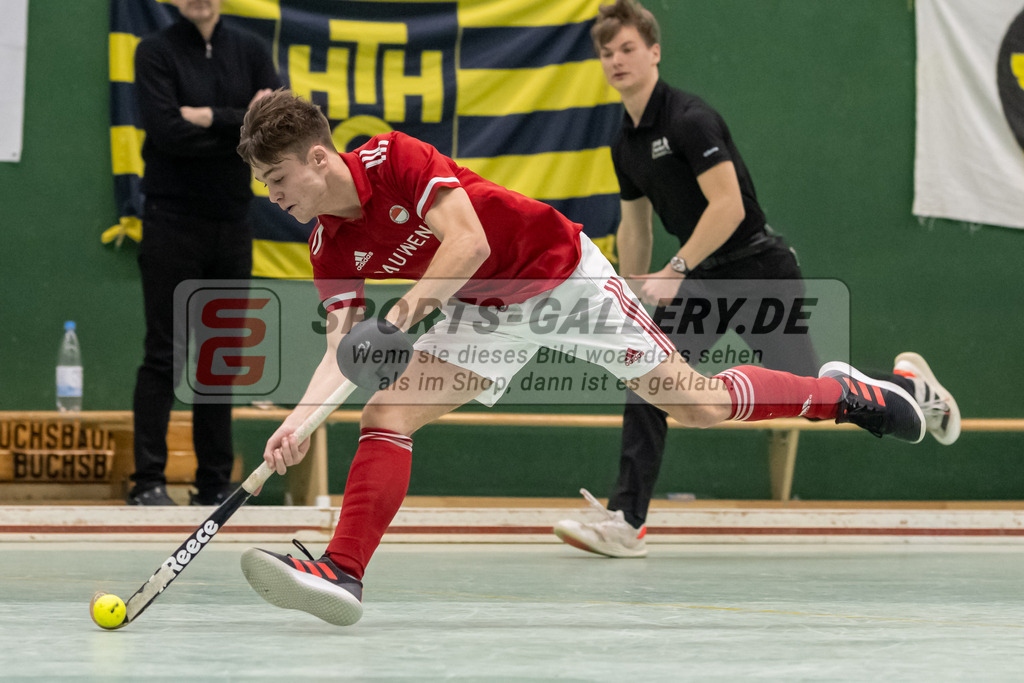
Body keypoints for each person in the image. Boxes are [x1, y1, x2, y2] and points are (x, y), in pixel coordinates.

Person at [232, 88, 936, 627]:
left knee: (696, 403)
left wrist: (408, 312)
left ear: (317, 158)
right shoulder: (327, 241)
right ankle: (342, 571)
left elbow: (469, 243)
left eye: (275, 178)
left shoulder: (394, 159)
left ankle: (843, 394)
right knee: (387, 409)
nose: (273, 195)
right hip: (482, 310)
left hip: (560, 273)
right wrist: (298, 421)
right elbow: (346, 348)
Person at [551, 0, 962, 558]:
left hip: (757, 271)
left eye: (627, 49)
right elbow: (635, 225)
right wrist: (627, 295)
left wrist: (675, 269)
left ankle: (913, 394)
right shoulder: (624, 143)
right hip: (702, 282)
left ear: (654, 51)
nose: (617, 61)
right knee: (648, 377)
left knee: (813, 389)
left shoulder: (691, 119)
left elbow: (728, 209)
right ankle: (628, 521)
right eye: (606, 53)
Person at [127, 0, 281, 506]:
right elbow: (167, 133)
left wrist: (209, 116)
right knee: (163, 352)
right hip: (171, 220)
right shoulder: (154, 51)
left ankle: (214, 484)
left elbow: (275, 129)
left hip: (233, 223)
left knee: (219, 358)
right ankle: (147, 481)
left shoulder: (253, 50)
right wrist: (240, 126)